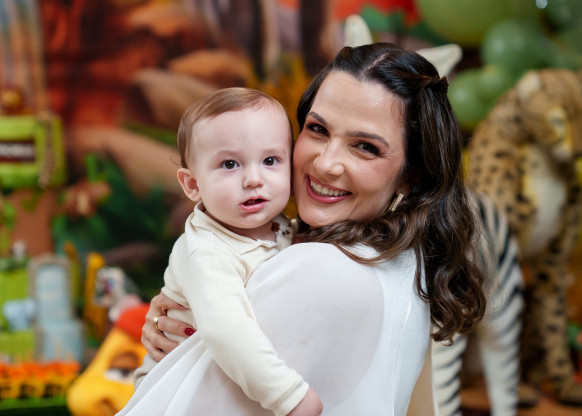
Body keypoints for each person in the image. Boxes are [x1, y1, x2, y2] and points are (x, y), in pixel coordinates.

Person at [131, 42, 487, 415]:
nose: (326, 163)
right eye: (317, 129)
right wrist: (187, 312)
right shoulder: (399, 255)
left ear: (410, 176)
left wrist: (190, 345)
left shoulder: (323, 268)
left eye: (365, 147)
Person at [122, 87, 322, 416]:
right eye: (230, 164)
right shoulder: (206, 252)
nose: (254, 179)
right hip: (173, 395)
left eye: (270, 160)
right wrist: (288, 396)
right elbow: (227, 331)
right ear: (193, 185)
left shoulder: (282, 227)